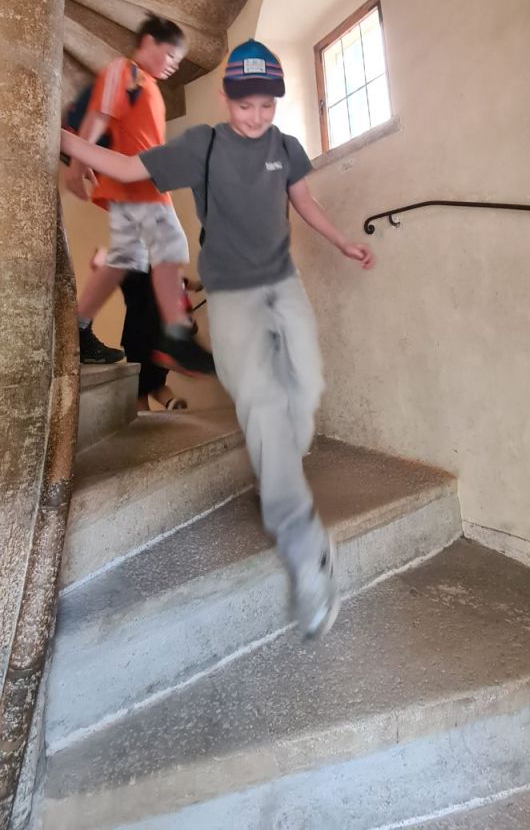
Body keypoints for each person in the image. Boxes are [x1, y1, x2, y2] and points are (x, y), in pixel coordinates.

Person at [60, 39, 374, 639]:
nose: (256, 116)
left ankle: (278, 467)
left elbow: (303, 201)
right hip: (231, 298)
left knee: (305, 390)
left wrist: (341, 242)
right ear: (228, 99)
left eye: (266, 105)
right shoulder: (202, 145)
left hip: (283, 285)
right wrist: (64, 139)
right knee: (263, 403)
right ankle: (306, 549)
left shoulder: (286, 147)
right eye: (245, 104)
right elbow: (128, 168)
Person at [65, 14, 214, 377]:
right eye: (171, 55)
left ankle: (77, 329)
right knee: (171, 242)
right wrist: (77, 163)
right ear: (148, 42)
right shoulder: (127, 71)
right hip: (136, 185)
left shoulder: (150, 87)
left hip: (144, 185)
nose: (174, 65)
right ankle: (176, 337)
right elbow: (100, 115)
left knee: (125, 258)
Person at [90, 249, 191, 413]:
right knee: (157, 383)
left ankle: (147, 419)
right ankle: (172, 402)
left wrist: (102, 259)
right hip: (162, 336)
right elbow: (183, 283)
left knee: (139, 390)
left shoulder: (130, 270)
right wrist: (197, 286)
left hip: (137, 337)